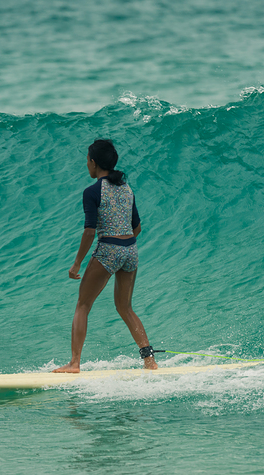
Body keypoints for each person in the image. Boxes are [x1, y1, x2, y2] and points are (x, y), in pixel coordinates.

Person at [53, 139, 158, 373]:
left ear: (93, 162)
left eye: (87, 161)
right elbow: (136, 228)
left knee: (83, 305)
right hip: (131, 251)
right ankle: (149, 360)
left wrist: (77, 263)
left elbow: (90, 231)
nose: (86, 165)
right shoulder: (127, 189)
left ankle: (74, 363)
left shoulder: (92, 192)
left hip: (108, 250)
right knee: (125, 307)